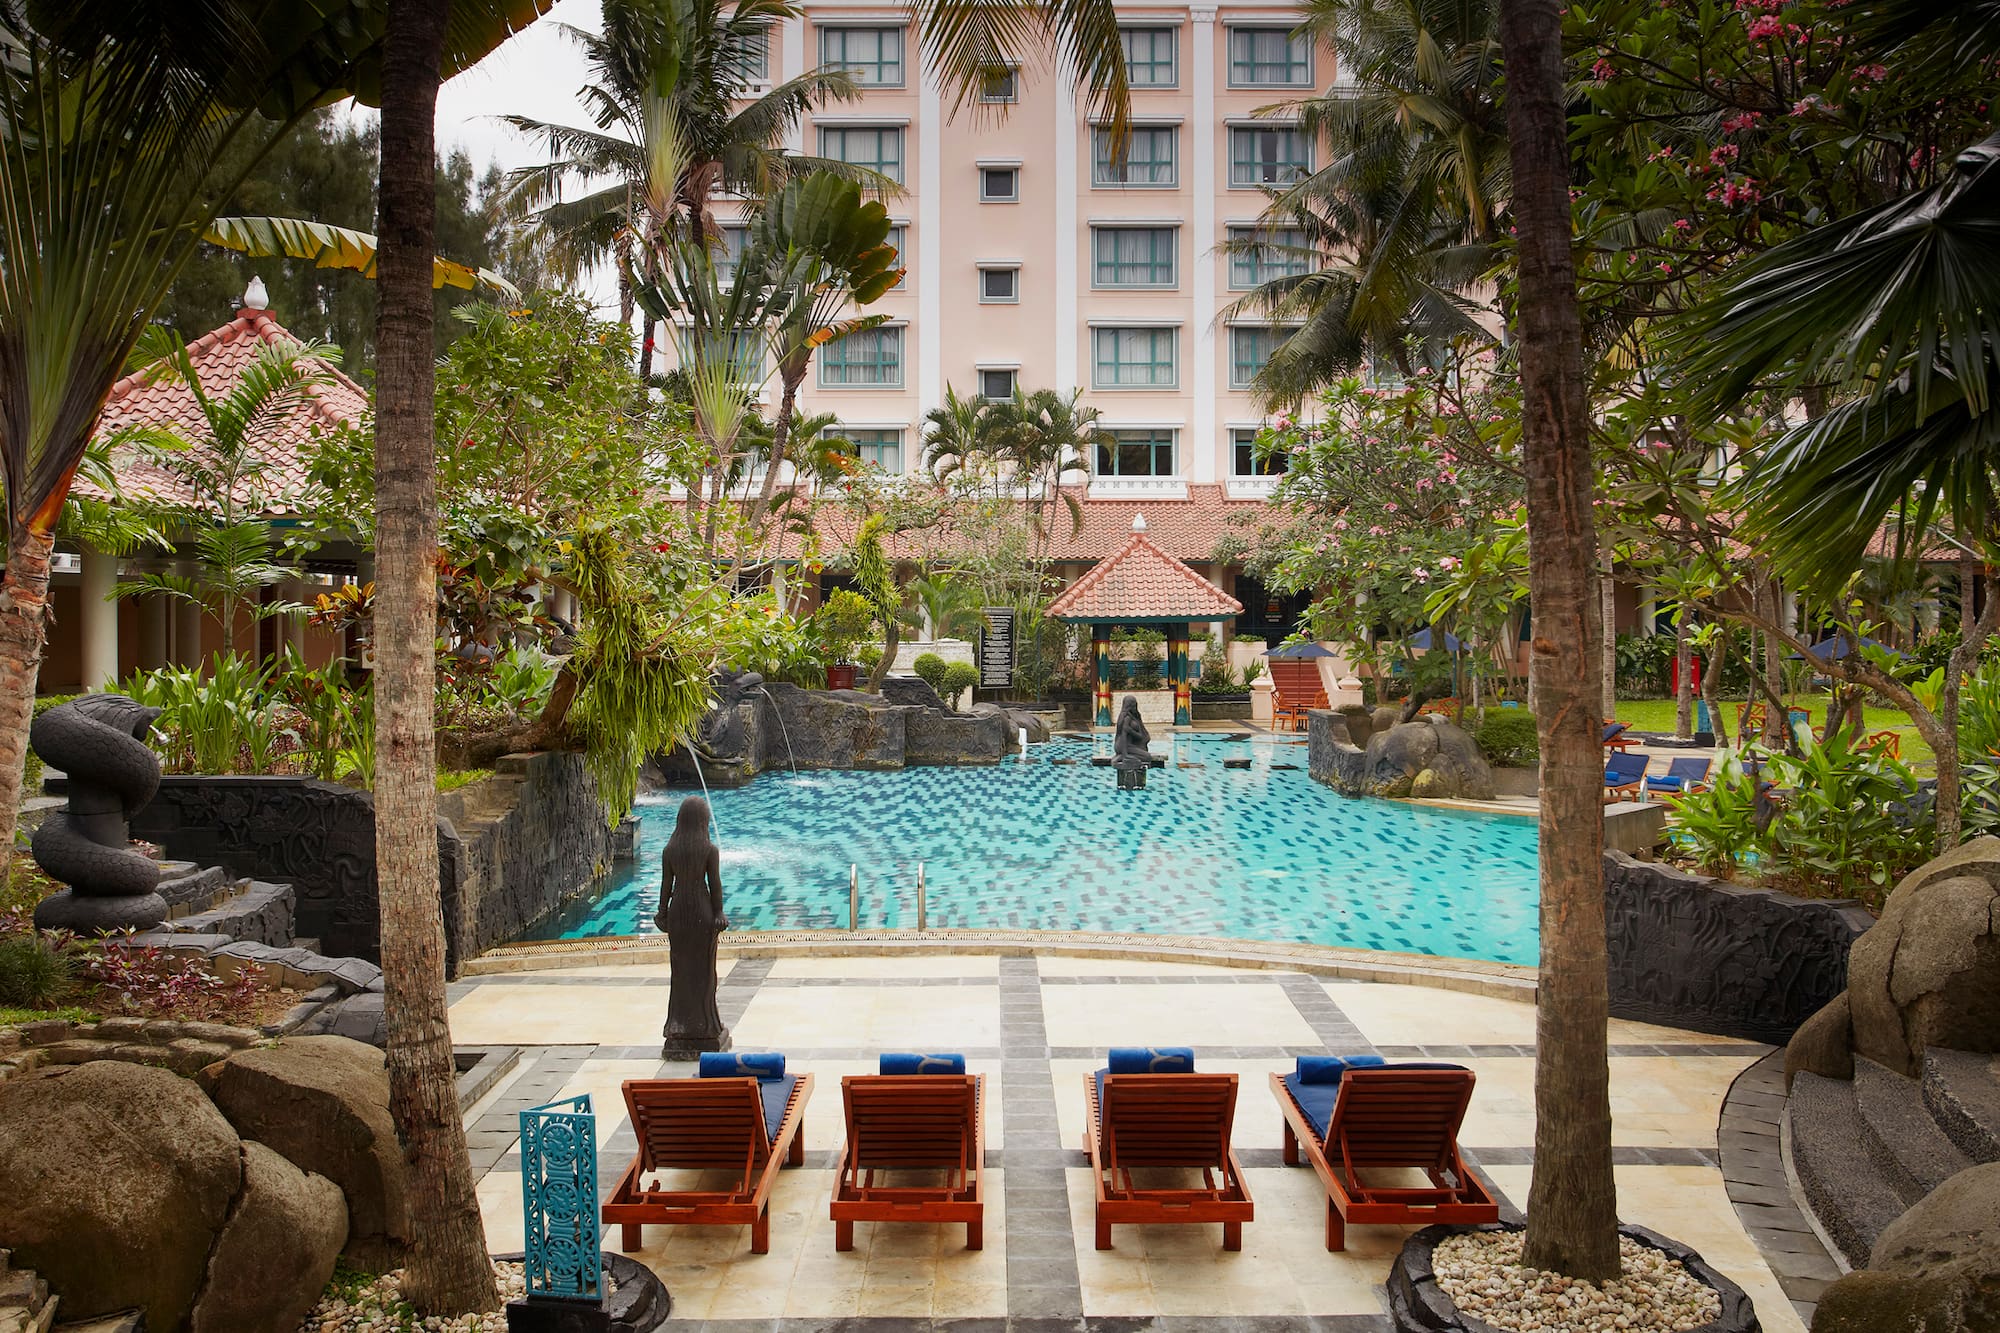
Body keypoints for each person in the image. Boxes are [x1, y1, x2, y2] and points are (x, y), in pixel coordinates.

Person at [658, 795, 730, 1054]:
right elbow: (715, 884)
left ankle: (678, 1025)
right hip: (702, 910)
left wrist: (662, 912)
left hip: (678, 912)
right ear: (702, 821)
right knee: (704, 971)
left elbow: (666, 886)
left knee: (680, 970)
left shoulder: (670, 850)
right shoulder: (709, 850)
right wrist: (719, 912)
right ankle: (706, 1025)